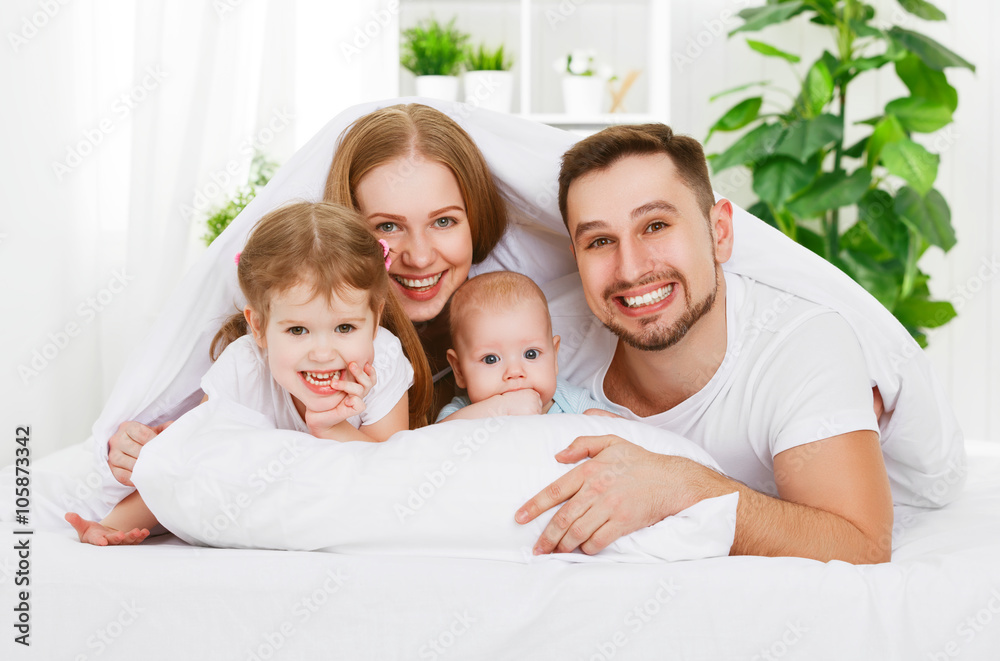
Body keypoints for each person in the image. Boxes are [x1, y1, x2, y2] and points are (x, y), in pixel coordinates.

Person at [514, 124, 894, 564]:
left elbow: (863, 545)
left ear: (720, 233)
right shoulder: (537, 339)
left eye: (655, 225)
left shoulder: (800, 342)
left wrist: (681, 487)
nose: (631, 269)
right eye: (600, 241)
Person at [104, 103, 520, 486]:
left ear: (474, 221)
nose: (420, 256)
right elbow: (210, 437)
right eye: (388, 227)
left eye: (444, 221)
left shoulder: (510, 324)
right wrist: (150, 446)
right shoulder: (267, 343)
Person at [67, 201, 431, 545]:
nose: (323, 353)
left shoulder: (382, 359)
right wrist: (112, 526)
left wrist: (331, 427)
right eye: (297, 331)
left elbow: (390, 473)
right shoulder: (243, 367)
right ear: (258, 328)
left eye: (346, 328)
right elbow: (195, 472)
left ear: (376, 317)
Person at [436, 271, 609, 421]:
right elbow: (433, 442)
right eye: (490, 359)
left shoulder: (571, 402)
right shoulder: (461, 413)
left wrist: (603, 423)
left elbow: (624, 433)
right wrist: (503, 408)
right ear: (459, 370)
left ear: (554, 358)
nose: (515, 372)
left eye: (531, 354)